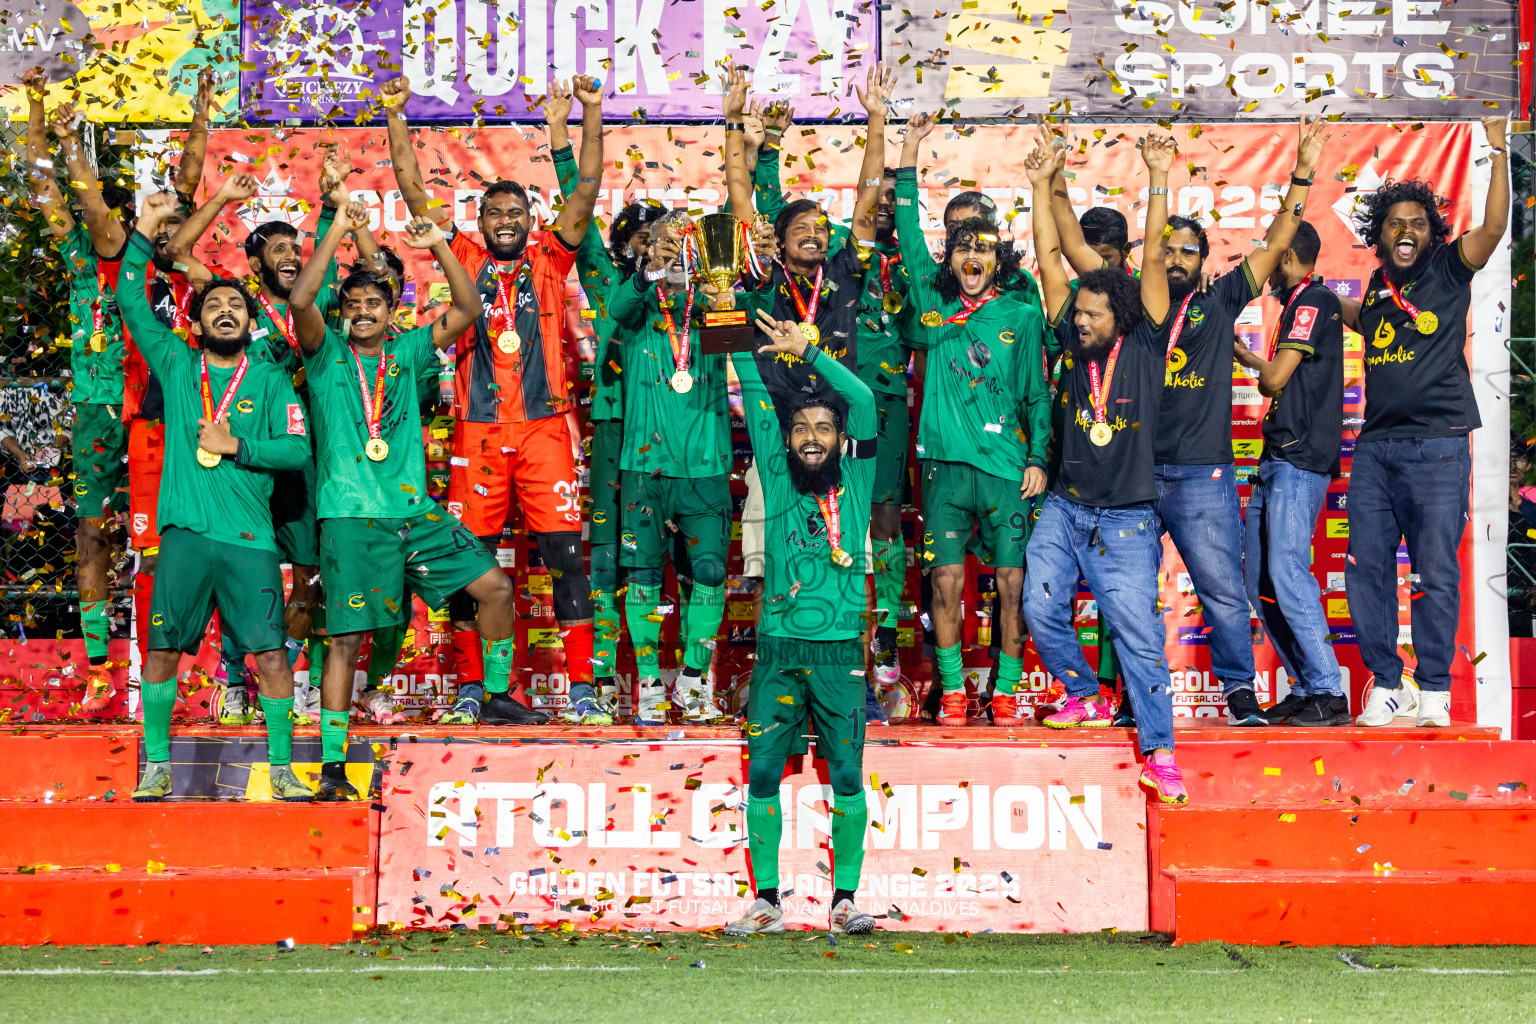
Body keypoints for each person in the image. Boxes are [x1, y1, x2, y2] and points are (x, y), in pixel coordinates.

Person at [382, 74, 604, 725]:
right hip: (477, 434)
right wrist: (397, 116)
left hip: (544, 432)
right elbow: (410, 186)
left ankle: (583, 688)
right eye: (495, 215)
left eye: (517, 214)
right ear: (480, 222)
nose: (507, 222)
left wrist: (588, 115)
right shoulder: (461, 256)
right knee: (467, 568)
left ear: (531, 220)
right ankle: (477, 687)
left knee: (565, 559)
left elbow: (586, 187)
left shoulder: (552, 259)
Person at [288, 203, 505, 798]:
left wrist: (437, 243)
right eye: (353, 305)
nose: (362, 312)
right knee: (346, 640)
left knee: (495, 588)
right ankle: (332, 764)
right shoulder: (326, 353)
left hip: (415, 512)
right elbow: (302, 302)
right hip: (353, 515)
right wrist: (335, 231)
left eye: (374, 304)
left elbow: (465, 309)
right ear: (343, 314)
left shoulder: (407, 352)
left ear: (391, 312)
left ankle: (497, 695)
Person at [1134, 117, 1330, 728]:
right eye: (1164, 248)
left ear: (1204, 264)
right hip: (1135, 476)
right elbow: (1081, 257)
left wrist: (1303, 169)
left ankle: (1240, 696)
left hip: (1202, 478)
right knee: (1133, 599)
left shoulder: (1220, 303)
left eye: (1187, 250)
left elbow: (1276, 242)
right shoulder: (1133, 309)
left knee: (1223, 595)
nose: (1174, 257)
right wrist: (1158, 175)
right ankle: (1132, 700)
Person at [117, 192, 313, 802]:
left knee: (272, 658)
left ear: (251, 323)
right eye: (214, 306)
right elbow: (129, 297)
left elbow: (297, 451)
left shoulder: (271, 376)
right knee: (162, 653)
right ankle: (156, 765)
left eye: (236, 305)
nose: (225, 312)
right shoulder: (177, 365)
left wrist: (238, 447)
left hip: (250, 541)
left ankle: (281, 768)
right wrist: (147, 228)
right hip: (184, 538)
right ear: (197, 323)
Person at [165, 148, 365, 724]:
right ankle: (233, 683)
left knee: (306, 579)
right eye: (276, 249)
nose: (290, 257)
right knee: (238, 567)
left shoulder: (321, 303)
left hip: (304, 461)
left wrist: (333, 210)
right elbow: (177, 253)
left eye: (295, 249)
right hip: (238, 468)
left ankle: (292, 678)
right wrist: (223, 199)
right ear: (253, 262)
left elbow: (336, 270)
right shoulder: (235, 304)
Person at [1024, 128, 1188, 802]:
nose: (1080, 321)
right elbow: (1047, 258)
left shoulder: (1145, 341)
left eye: (1092, 314)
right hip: (1065, 506)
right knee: (1039, 607)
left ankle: (1161, 752)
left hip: (1125, 518)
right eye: (1078, 313)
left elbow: (1151, 256)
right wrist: (1040, 186)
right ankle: (1084, 693)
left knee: (1138, 635)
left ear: (1118, 317)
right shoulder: (1071, 333)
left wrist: (1157, 177)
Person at [743, 100, 912, 723]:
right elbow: (755, 209)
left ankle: (857, 675)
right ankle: (774, 669)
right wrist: (758, 145)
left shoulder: (846, 273)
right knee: (770, 566)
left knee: (851, 561)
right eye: (801, 228)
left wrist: (875, 126)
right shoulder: (760, 284)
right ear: (780, 242)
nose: (816, 233)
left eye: (822, 226)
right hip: (777, 442)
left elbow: (868, 203)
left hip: (837, 440)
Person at [1344, 117, 1509, 728]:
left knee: (1435, 571)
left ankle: (1435, 687)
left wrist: (1494, 150)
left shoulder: (1448, 268)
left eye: (1417, 222)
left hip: (1438, 447)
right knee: (1365, 566)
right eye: (1395, 223)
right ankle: (1388, 685)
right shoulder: (1379, 286)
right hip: (1377, 448)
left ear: (1431, 231)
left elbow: (1492, 228)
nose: (1406, 231)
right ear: (1380, 233)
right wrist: (1311, 295)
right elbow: (1365, 323)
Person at [723, 310, 879, 936]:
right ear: (784, 440)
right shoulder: (781, 483)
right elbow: (748, 379)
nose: (812, 437)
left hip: (840, 652)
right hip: (778, 651)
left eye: (823, 427)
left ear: (842, 440)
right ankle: (766, 901)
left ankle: (844, 902)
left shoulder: (859, 480)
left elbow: (863, 397)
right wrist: (721, 300)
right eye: (801, 429)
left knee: (845, 774)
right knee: (762, 772)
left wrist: (808, 353)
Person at [896, 111, 1051, 728]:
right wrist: (908, 147)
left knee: (1013, 586)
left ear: (996, 256)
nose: (972, 254)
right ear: (951, 257)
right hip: (943, 472)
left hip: (1008, 470)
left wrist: (1039, 456)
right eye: (962, 246)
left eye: (983, 247)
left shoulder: (1021, 309)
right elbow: (909, 234)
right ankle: (956, 692)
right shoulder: (932, 307)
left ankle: (1007, 692)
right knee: (946, 589)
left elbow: (1038, 393)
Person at [552, 109, 668, 723]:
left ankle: (649, 680)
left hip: (663, 439)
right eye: (641, 238)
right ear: (623, 244)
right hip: (613, 431)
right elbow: (581, 210)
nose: (652, 249)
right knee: (602, 555)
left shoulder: (687, 290)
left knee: (645, 558)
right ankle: (594, 680)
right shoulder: (601, 279)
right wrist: (563, 138)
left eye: (662, 240)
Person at [23, 72, 133, 712]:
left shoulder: (146, 261)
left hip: (150, 410)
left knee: (156, 537)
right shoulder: (77, 258)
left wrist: (74, 152)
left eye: (102, 211)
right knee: (92, 533)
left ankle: (159, 661)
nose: (94, 219)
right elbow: (45, 186)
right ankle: (97, 667)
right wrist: (43, 114)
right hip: (95, 410)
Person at [605, 213, 733, 724]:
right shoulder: (635, 302)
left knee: (709, 572)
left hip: (704, 468)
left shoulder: (711, 302)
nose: (673, 251)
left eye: (683, 243)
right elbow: (616, 307)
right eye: (663, 243)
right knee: (642, 576)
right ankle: (651, 684)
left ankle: (696, 680)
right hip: (644, 468)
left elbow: (738, 350)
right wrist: (648, 271)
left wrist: (723, 301)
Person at [1233, 221, 1350, 726]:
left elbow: (1274, 381)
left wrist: (1259, 368)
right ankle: (1305, 686)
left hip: (1299, 460)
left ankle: (1328, 690)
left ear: (1286, 256)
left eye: (1270, 252)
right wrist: (1246, 356)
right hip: (1278, 458)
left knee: (1285, 571)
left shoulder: (1313, 300)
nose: (1264, 265)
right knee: (1258, 576)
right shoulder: (1301, 304)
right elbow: (1282, 375)